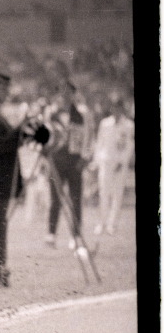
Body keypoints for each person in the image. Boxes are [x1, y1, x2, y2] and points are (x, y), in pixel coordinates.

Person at [0, 62, 48, 287]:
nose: (6, 92)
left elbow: (4, 141)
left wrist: (23, 131)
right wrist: (22, 127)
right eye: (3, 87)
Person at [42, 80, 93, 250]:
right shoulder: (50, 113)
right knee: (55, 199)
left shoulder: (82, 113)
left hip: (74, 161)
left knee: (75, 199)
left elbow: (88, 136)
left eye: (68, 93)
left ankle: (76, 237)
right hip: (56, 161)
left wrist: (84, 158)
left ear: (73, 94)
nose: (64, 96)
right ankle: (51, 234)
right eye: (61, 92)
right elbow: (44, 137)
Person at [91, 93, 135, 236]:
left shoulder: (128, 125)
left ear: (122, 109)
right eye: (114, 108)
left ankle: (112, 224)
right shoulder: (105, 123)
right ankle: (102, 223)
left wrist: (122, 162)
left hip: (119, 165)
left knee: (117, 194)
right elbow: (99, 143)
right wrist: (96, 162)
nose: (116, 111)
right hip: (106, 162)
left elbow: (129, 146)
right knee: (104, 193)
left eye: (118, 108)